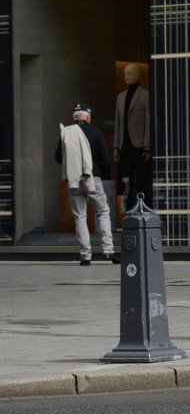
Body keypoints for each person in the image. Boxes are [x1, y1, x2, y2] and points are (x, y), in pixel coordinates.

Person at [54, 104, 117, 265]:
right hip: (92, 178)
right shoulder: (95, 132)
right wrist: (103, 175)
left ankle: (85, 256)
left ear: (75, 118)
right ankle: (108, 251)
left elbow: (59, 158)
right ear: (88, 117)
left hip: (73, 180)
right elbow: (105, 158)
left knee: (79, 217)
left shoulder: (66, 132)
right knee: (103, 212)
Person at [114, 63, 152, 205]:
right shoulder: (120, 97)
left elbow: (149, 121)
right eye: (125, 74)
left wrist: (147, 146)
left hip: (140, 145)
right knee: (126, 181)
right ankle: (128, 209)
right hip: (125, 146)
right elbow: (118, 122)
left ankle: (147, 209)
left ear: (137, 74)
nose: (126, 77)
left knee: (143, 181)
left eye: (129, 73)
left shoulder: (146, 95)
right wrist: (116, 146)